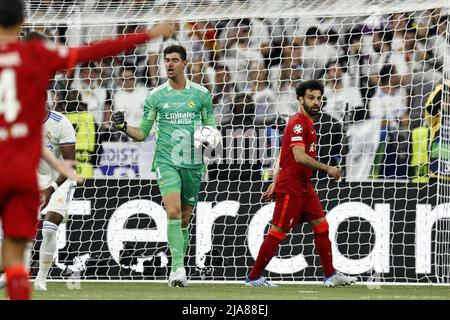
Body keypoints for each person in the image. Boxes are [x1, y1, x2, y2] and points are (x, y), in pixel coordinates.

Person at [0, 0, 174, 300]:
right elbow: (94, 51)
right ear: (22, 21)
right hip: (22, 172)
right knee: (15, 256)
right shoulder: (36, 54)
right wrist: (149, 34)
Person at [112, 44, 217, 287]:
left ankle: (179, 265)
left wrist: (209, 140)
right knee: (172, 211)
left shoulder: (201, 95)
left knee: (185, 219)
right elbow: (142, 134)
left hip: (192, 163)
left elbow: (211, 130)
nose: (169, 64)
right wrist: (124, 127)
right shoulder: (156, 96)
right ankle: (177, 269)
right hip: (166, 161)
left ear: (184, 63)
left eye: (174, 60)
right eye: (166, 60)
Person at [245, 80, 357, 287]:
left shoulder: (308, 123)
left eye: (319, 98)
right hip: (292, 187)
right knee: (278, 231)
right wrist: (328, 168)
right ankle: (253, 277)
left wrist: (274, 178)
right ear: (300, 99)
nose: (316, 102)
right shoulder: (298, 123)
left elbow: (284, 153)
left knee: (322, 225)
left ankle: (330, 274)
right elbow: (298, 156)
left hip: (304, 185)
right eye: (311, 98)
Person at [33, 107, 77, 291]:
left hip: (60, 180)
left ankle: (41, 279)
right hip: (32, 179)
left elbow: (70, 165)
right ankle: (8, 273)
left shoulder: (61, 123)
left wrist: (51, 188)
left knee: (49, 229)